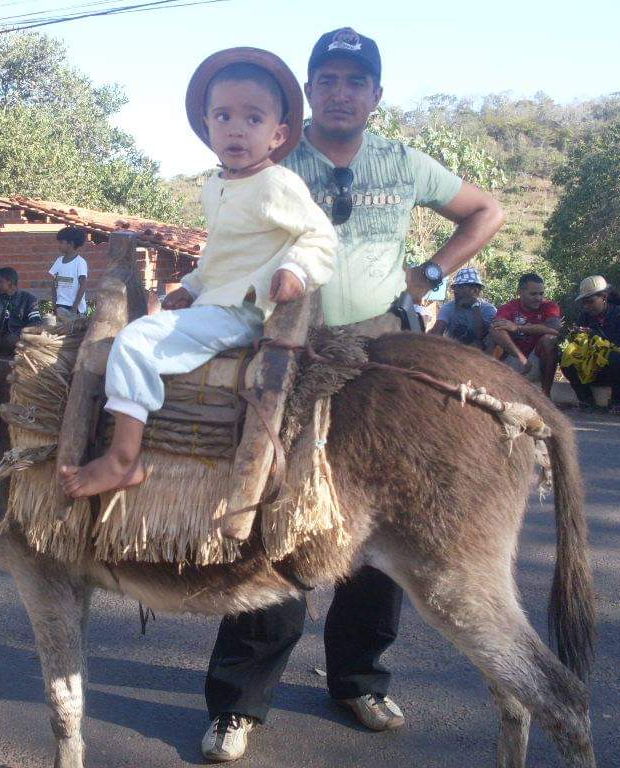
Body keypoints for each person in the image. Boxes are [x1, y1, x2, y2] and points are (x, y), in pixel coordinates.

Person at [200, 28, 505, 763]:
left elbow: (486, 211)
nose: (340, 91)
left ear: (375, 95)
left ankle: (359, 679)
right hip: (286, 352)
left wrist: (429, 274)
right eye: (327, 78)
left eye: (354, 80)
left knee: (377, 522)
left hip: (380, 352)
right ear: (308, 93)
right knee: (271, 512)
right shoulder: (278, 156)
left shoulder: (402, 162)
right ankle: (239, 703)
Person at [59, 49, 336, 505]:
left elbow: (321, 236)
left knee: (136, 342)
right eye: (223, 116)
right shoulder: (217, 186)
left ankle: (123, 459)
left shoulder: (277, 185)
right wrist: (190, 287)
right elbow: (219, 256)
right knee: (144, 332)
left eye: (252, 119)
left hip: (244, 312)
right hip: (215, 304)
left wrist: (296, 269)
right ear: (207, 126)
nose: (236, 129)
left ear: (277, 133)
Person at [560, 276, 620, 412]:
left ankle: (616, 401)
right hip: (593, 369)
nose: (587, 306)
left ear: (604, 297)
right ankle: (586, 400)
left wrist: (595, 335)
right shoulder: (585, 316)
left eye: (590, 301)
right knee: (566, 359)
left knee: (614, 357)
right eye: (584, 303)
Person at [490, 273, 562, 397]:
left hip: (538, 361)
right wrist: (521, 358)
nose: (538, 298)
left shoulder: (549, 306)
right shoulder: (508, 307)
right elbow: (494, 328)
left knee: (549, 340)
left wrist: (517, 327)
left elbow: (554, 329)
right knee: (493, 331)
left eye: (541, 293)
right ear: (520, 292)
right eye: (533, 294)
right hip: (514, 360)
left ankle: (546, 395)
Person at [430, 266, 496, 348]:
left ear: (475, 291)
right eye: (455, 288)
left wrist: (475, 305)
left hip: (479, 356)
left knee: (477, 344)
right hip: (452, 352)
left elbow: (480, 335)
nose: (456, 292)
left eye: (461, 287)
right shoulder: (448, 308)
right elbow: (436, 334)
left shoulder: (488, 310)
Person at [0, 267, 42, 349]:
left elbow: (36, 322)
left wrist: (18, 335)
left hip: (19, 344)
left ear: (10, 282)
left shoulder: (28, 299)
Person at [50, 227, 89, 318]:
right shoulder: (58, 261)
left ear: (71, 243)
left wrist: (74, 307)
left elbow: (83, 286)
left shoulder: (80, 262)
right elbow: (54, 284)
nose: (58, 245)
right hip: (61, 305)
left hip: (75, 308)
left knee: (74, 331)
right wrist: (54, 304)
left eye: (61, 242)